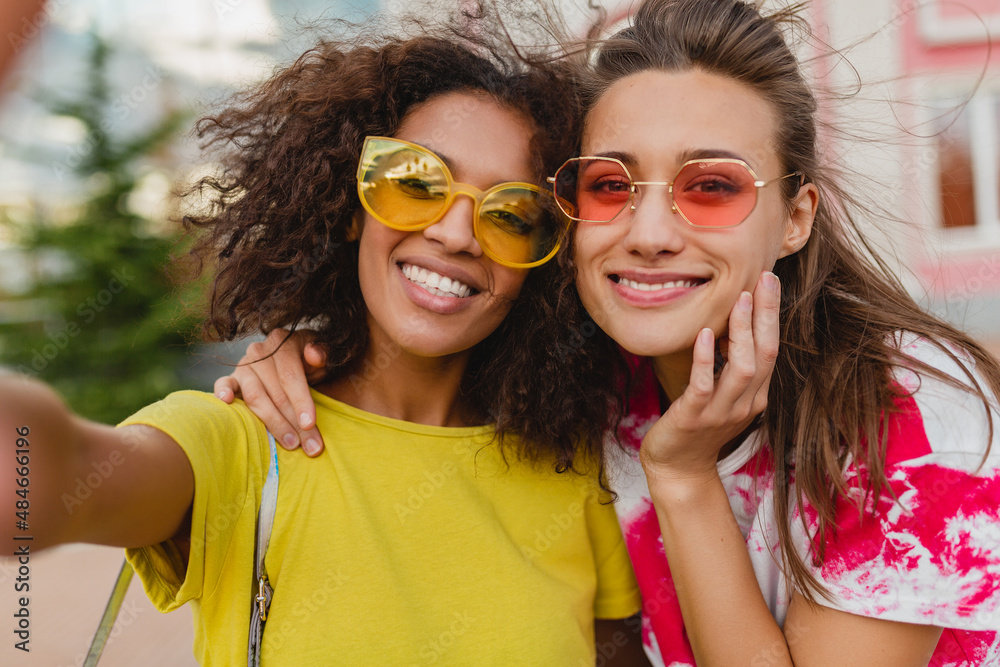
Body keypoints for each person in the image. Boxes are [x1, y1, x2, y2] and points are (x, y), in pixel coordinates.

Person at [223, 1, 1000, 664]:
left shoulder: (912, 415)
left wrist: (685, 474)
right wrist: (311, 348)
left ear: (795, 218)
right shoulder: (575, 378)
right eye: (609, 185)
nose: (650, 232)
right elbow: (438, 315)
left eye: (711, 187)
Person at [0, 19, 650, 666]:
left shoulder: (572, 461)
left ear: (549, 260)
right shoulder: (243, 441)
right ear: (348, 204)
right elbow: (36, 477)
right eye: (414, 182)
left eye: (513, 214)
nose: (456, 233)